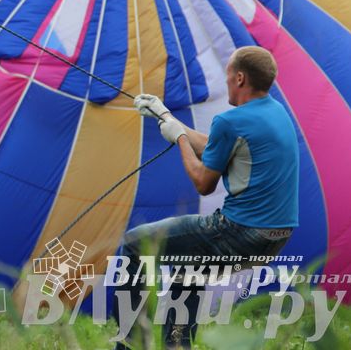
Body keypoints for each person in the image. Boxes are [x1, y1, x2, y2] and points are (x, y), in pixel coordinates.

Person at [113, 46, 300, 349]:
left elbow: (203, 182)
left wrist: (181, 138)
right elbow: (219, 146)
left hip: (239, 232)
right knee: (190, 265)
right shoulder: (276, 112)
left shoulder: (231, 121)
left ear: (239, 78)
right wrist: (165, 116)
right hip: (275, 237)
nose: (226, 80)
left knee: (135, 246)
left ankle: (131, 344)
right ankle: (177, 344)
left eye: (227, 74)